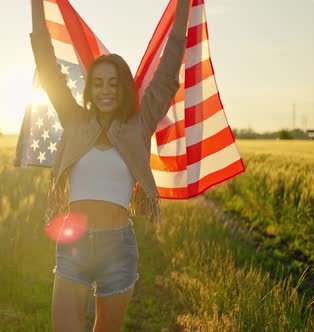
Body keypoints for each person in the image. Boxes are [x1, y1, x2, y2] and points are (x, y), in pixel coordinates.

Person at [30, 0, 191, 330]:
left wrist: (184, 6)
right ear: (89, 88)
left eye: (113, 83)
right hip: (73, 244)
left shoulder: (139, 125)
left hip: (117, 248)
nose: (105, 90)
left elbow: (168, 71)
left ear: (124, 89)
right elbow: (47, 67)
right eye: (98, 82)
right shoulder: (74, 121)